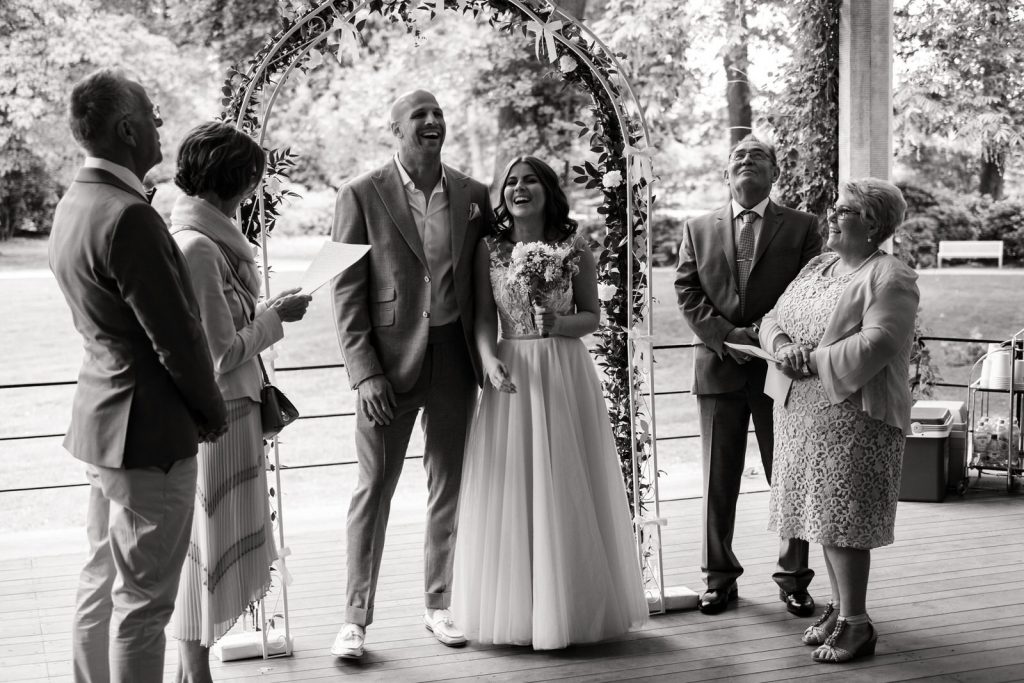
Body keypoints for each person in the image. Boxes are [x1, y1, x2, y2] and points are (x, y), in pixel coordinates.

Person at [48, 68, 227, 683]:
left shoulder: (74, 204)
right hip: (149, 436)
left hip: (101, 424)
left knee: (100, 580)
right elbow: (177, 339)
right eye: (151, 114)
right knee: (145, 604)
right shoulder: (129, 216)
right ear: (127, 130)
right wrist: (211, 411)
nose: (159, 123)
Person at [452, 155, 648, 649]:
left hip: (564, 371)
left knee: (567, 482)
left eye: (530, 181)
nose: (519, 189)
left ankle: (573, 607)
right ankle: (521, 609)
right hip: (512, 371)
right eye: (511, 182)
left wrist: (558, 324)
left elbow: (592, 316)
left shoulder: (573, 245)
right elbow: (482, 318)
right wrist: (489, 361)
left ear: (548, 190)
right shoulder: (489, 248)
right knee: (516, 485)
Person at [329, 89, 494, 658]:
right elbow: (346, 292)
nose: (432, 121)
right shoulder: (359, 194)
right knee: (374, 488)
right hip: (387, 366)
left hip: (455, 359)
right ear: (395, 129)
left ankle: (439, 604)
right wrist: (364, 373)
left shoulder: (473, 195)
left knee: (449, 484)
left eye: (438, 113)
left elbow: (485, 275)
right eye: (418, 115)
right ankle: (354, 619)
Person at [167, 121, 312, 682]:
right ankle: (194, 671)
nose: (255, 187)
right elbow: (221, 353)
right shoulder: (199, 247)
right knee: (207, 550)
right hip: (222, 415)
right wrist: (275, 320)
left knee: (218, 547)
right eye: (253, 176)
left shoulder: (210, 239)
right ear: (236, 179)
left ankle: (190, 672)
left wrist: (267, 310)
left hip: (236, 411)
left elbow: (225, 326)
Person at [759, 178, 919, 664]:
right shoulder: (818, 265)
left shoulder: (891, 276)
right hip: (799, 413)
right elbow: (772, 317)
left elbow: (878, 342)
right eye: (835, 206)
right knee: (821, 517)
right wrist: (783, 345)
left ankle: (858, 624)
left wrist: (810, 360)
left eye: (844, 209)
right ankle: (839, 609)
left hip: (853, 418)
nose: (831, 214)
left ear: (872, 223)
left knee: (843, 519)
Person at [674, 134, 823, 617]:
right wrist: (727, 336)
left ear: (774, 173)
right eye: (738, 156)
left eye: (758, 155)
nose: (746, 160)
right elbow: (687, 290)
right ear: (726, 173)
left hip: (779, 369)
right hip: (717, 367)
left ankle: (794, 579)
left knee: (790, 476)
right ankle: (718, 578)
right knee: (718, 481)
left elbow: (809, 290)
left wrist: (761, 336)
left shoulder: (802, 227)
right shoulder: (697, 227)